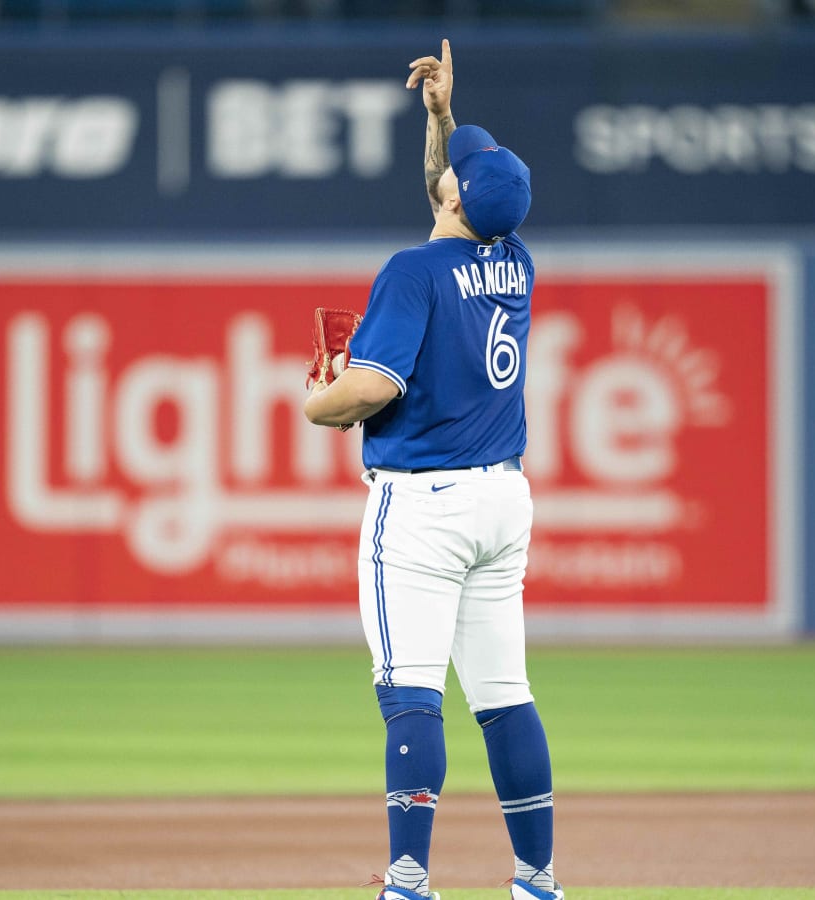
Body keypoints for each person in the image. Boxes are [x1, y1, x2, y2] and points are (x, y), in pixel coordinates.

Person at [303, 39, 562, 900]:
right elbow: (449, 199)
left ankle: (409, 881)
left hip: (424, 505)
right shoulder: (514, 259)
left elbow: (369, 390)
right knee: (504, 695)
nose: (450, 171)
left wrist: (320, 397)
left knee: (411, 697)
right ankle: (536, 881)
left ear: (456, 197)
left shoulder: (413, 271)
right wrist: (443, 120)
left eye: (458, 168)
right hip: (502, 500)